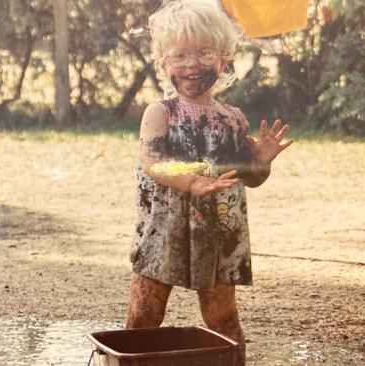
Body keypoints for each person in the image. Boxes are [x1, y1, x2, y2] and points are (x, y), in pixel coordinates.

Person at [126, 0, 293, 362]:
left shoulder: (232, 119)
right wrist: (189, 182)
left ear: (223, 59)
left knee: (223, 319)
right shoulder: (160, 113)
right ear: (163, 63)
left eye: (204, 53)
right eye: (180, 55)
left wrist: (261, 164)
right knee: (144, 315)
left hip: (219, 231)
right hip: (165, 230)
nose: (192, 64)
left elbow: (247, 178)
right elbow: (154, 164)